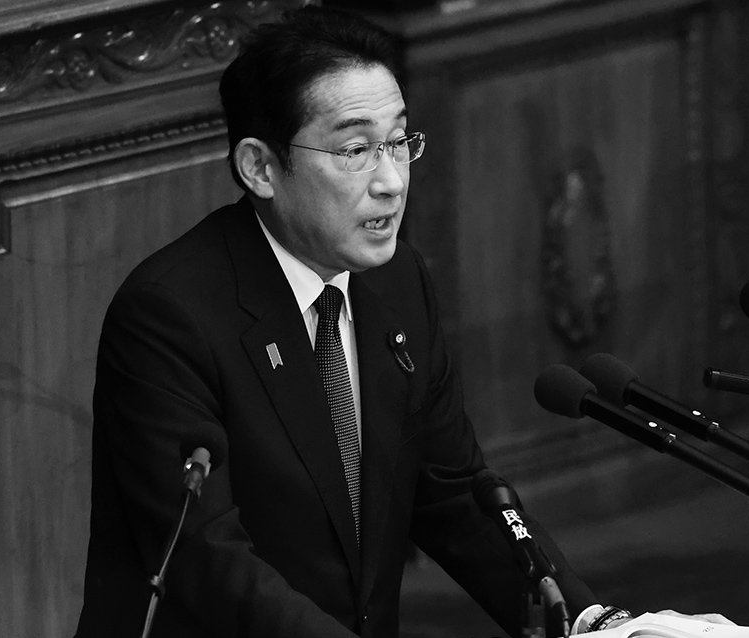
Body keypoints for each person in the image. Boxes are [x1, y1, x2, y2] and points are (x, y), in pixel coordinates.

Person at [75, 6, 630, 637]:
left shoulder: (397, 282)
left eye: (398, 142)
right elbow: (208, 556)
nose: (391, 181)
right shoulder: (168, 315)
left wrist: (589, 623)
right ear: (260, 168)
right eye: (356, 150)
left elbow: (454, 492)